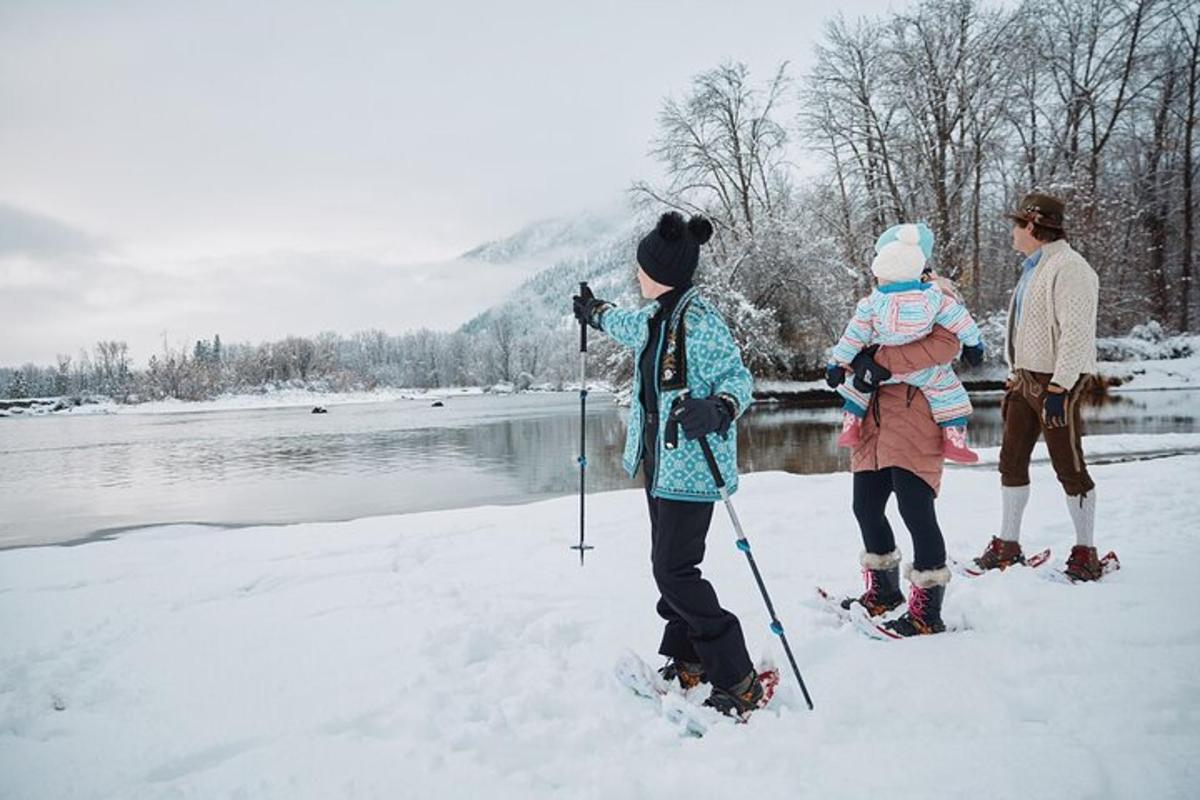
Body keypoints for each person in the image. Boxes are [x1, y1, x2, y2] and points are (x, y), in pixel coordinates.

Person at [572, 211, 764, 715]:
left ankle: (738, 678)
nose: (637, 275)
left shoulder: (701, 322)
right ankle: (690, 659)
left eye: (642, 267)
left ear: (660, 270)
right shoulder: (657, 316)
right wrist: (594, 312)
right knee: (672, 566)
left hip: (693, 467)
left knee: (674, 570)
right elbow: (624, 323)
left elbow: (739, 379)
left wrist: (719, 407)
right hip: (661, 461)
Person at [972, 193, 1104, 581]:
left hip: (1056, 382)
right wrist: (1016, 372)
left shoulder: (1071, 267)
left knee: (1069, 465)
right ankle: (1007, 546)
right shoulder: (1035, 267)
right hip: (1025, 381)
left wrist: (1060, 388)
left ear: (1032, 226)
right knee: (1011, 461)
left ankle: (1085, 553)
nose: (1012, 232)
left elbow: (1076, 334)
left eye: (1016, 224)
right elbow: (1027, 329)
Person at [834, 315, 966, 636]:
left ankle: (927, 615)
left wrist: (877, 359)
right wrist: (851, 362)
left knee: (916, 511)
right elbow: (852, 348)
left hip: (915, 419)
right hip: (873, 420)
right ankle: (885, 593)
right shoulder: (874, 306)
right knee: (865, 507)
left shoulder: (936, 301)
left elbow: (947, 345)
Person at [826, 222, 985, 464]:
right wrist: (974, 345)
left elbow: (853, 335)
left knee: (857, 388)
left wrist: (841, 362)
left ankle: (850, 422)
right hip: (923, 375)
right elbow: (961, 321)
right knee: (949, 393)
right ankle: (954, 438)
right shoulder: (934, 298)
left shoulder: (873, 302)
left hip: (886, 384)